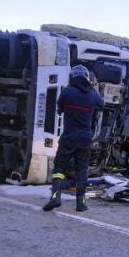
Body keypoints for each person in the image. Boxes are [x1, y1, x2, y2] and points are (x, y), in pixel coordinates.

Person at [42, 64, 104, 213]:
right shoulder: (93, 94)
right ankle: (81, 203)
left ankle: (55, 197)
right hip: (85, 138)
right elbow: (102, 105)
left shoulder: (67, 92)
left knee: (59, 167)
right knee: (81, 169)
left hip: (69, 136)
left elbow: (60, 109)